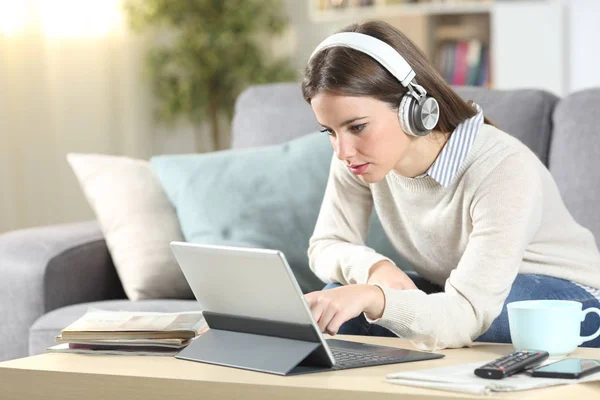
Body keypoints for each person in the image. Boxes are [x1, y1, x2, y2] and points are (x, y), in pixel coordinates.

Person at [300, 20, 600, 350]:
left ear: (412, 109)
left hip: (569, 301)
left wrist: (378, 299)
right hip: (462, 293)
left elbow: (468, 312)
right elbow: (327, 244)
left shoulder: (503, 167)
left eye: (356, 127)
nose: (342, 150)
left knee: (494, 316)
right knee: (335, 304)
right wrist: (375, 269)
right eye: (329, 131)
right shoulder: (356, 158)